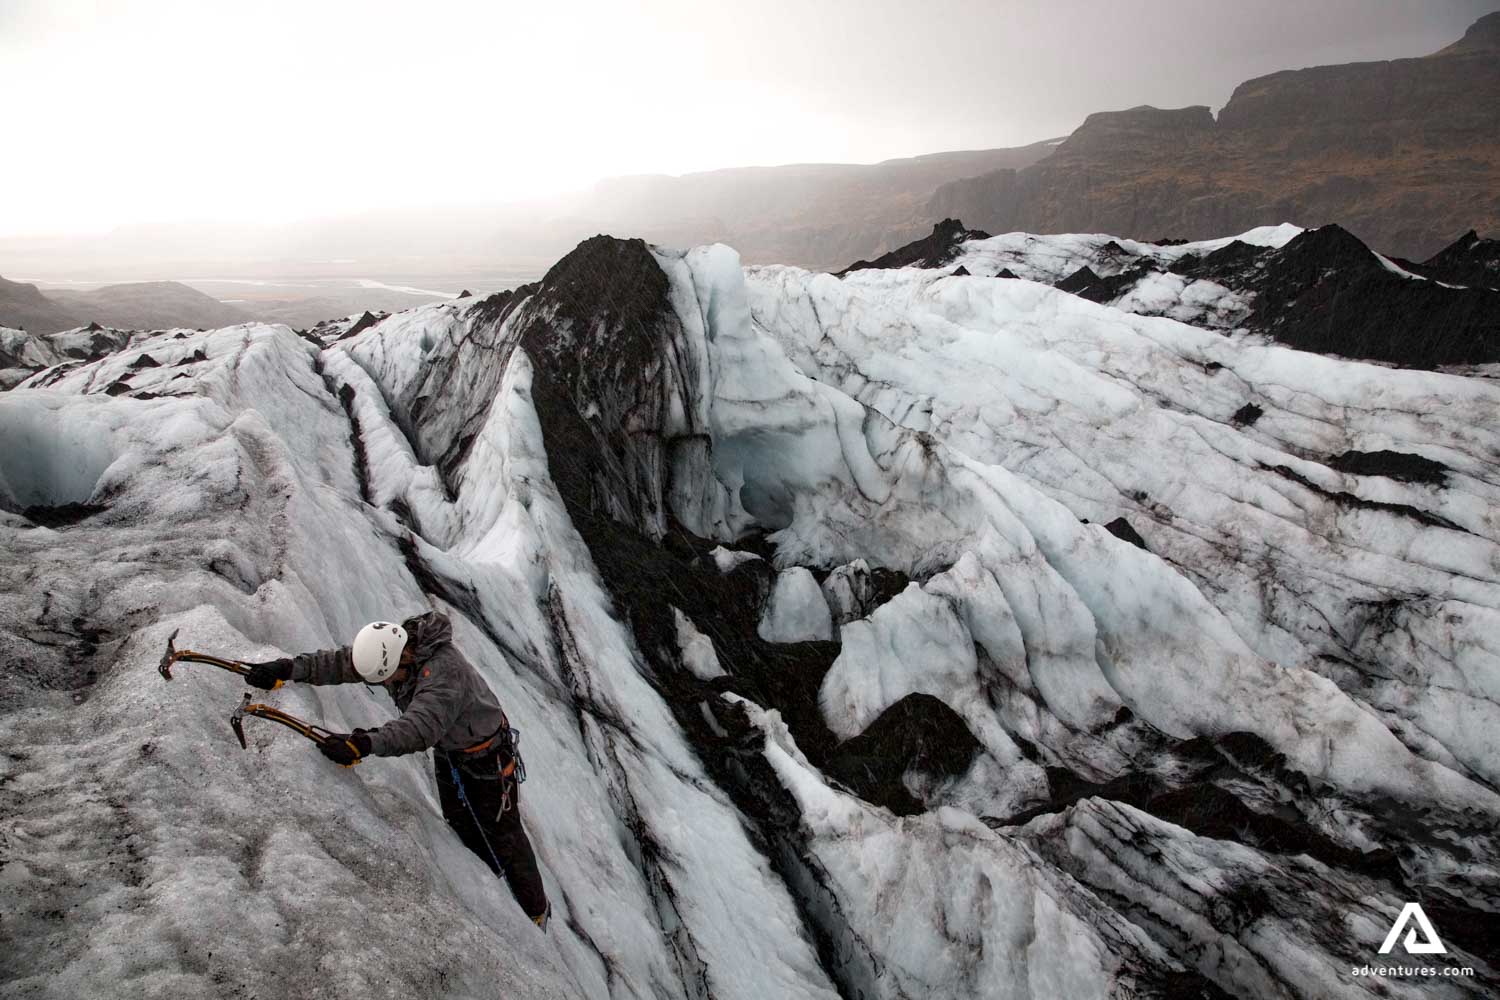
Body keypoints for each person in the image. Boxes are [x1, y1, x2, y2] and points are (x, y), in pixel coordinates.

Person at [245, 611, 550, 929]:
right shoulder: (391, 649)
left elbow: (419, 728)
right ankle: (488, 894)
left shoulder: (444, 675)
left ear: (403, 660)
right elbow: (345, 663)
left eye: (387, 678)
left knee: (505, 836)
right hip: (454, 752)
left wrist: (364, 744)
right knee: (461, 825)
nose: (387, 684)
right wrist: (290, 668)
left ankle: (534, 911)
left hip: (489, 762)